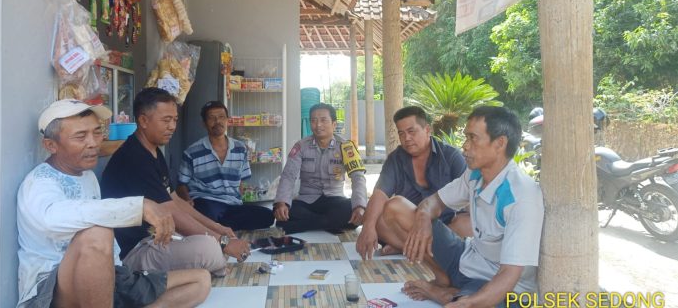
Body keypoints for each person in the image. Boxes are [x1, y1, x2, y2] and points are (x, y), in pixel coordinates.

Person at [17, 99, 210, 308]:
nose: (93, 143)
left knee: (200, 281)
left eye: (97, 132)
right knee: (97, 234)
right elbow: (51, 219)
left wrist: (120, 273)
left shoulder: (87, 176)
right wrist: (138, 207)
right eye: (80, 136)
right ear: (51, 145)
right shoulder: (40, 182)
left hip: (106, 279)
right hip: (50, 292)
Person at [402, 106, 544, 307]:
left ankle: (448, 295)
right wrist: (423, 219)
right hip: (468, 260)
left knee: (472, 304)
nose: (465, 146)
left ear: (500, 143)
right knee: (399, 209)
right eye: (465, 138)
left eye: (473, 138)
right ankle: (452, 290)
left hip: (504, 286)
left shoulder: (521, 196)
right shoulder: (474, 175)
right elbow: (433, 202)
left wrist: (467, 304)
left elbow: (508, 274)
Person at [101, 88, 251, 277]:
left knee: (211, 243)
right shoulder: (134, 158)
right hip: (135, 251)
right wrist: (223, 242)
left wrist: (218, 228)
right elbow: (170, 210)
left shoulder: (153, 151)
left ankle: (207, 265)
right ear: (143, 121)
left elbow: (175, 200)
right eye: (166, 120)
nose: (172, 126)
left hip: (158, 237)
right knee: (209, 248)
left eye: (175, 120)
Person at [356, 106, 470, 261]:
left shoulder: (451, 156)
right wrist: (367, 227)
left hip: (446, 225)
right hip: (409, 222)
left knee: (467, 224)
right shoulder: (396, 159)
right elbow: (380, 194)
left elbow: (470, 197)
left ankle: (405, 246)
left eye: (411, 131)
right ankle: (428, 251)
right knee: (381, 216)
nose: (407, 138)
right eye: (401, 133)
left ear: (427, 130)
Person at [176, 100, 274, 230]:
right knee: (208, 212)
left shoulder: (240, 148)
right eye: (212, 118)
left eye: (221, 117)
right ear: (204, 123)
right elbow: (181, 185)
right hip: (207, 201)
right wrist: (187, 201)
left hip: (232, 205)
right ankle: (218, 225)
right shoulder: (192, 152)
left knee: (267, 216)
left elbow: (241, 183)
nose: (217, 121)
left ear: (227, 120)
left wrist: (237, 200)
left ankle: (217, 226)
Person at [273, 103, 368, 233]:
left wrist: (359, 206)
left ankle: (308, 224)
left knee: (352, 210)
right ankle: (329, 223)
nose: (318, 125)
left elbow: (358, 177)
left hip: (335, 199)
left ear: (334, 124)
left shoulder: (346, 147)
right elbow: (288, 175)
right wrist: (282, 203)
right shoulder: (301, 146)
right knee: (285, 212)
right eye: (314, 120)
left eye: (323, 120)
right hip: (307, 201)